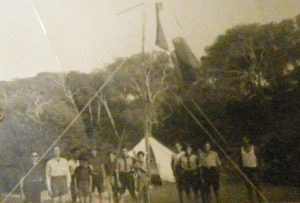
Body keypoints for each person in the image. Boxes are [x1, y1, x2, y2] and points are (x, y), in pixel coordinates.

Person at [240, 136, 263, 203]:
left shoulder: (254, 148)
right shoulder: (241, 149)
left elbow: (259, 158)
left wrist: (259, 168)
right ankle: (251, 201)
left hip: (254, 170)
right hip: (246, 170)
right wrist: (241, 169)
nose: (244, 141)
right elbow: (240, 160)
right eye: (243, 140)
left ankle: (260, 201)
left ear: (248, 140)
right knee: (249, 188)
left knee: (257, 187)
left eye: (245, 139)